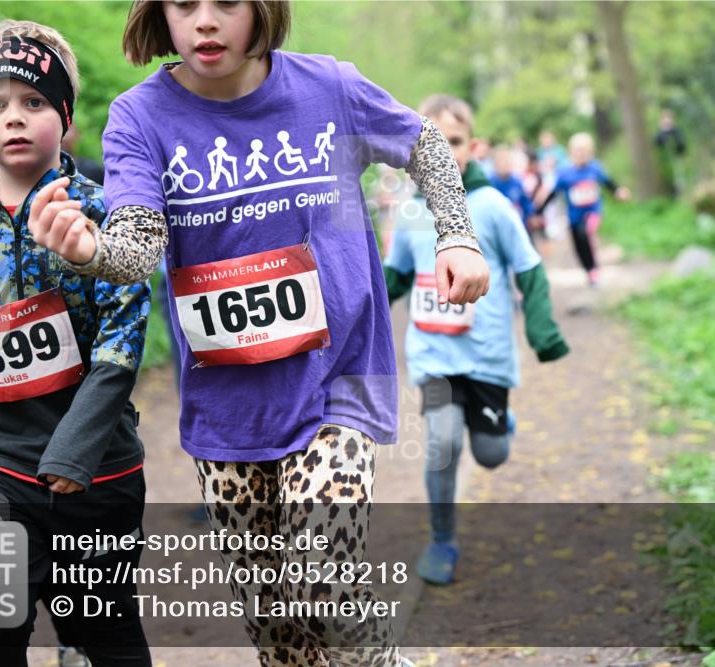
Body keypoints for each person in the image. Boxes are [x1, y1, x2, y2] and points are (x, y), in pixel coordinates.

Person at [26, 2, 489, 665]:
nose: (205, 22)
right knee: (279, 633)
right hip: (228, 407)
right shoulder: (140, 115)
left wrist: (457, 235)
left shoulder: (329, 87)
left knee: (323, 581)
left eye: (226, 4)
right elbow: (137, 245)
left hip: (339, 379)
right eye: (185, 5)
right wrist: (88, 249)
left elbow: (425, 142)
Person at [0, 20, 152, 666]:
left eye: (35, 102)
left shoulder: (100, 213)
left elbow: (123, 342)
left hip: (98, 470)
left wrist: (75, 451)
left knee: (105, 632)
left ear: (66, 116)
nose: (14, 118)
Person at [383, 94, 569, 585]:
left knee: (491, 454)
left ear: (475, 146)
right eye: (431, 143)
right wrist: (360, 310)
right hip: (433, 351)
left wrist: (542, 330)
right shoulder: (410, 211)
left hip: (486, 355)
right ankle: (442, 540)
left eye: (455, 142)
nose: (444, 153)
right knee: (442, 443)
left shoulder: (491, 206)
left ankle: (500, 421)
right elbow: (397, 275)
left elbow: (529, 269)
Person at [534, 132, 630, 286]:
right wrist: (539, 212)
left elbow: (608, 182)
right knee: (579, 244)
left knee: (585, 233)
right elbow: (553, 194)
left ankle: (594, 268)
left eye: (584, 151)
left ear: (590, 153)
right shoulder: (565, 172)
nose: (581, 154)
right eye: (578, 150)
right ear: (571, 152)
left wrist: (618, 191)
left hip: (592, 212)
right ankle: (589, 271)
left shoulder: (595, 168)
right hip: (574, 216)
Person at [654, 108, 686, 197]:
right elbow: (656, 145)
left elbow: (682, 146)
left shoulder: (676, 131)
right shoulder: (659, 134)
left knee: (679, 182)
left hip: (676, 160)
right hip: (665, 163)